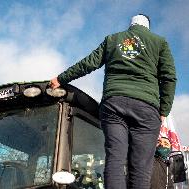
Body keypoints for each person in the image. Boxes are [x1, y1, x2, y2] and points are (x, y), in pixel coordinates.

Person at [49, 14, 176, 189]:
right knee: (141, 168)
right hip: (146, 108)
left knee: (115, 159)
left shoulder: (113, 39)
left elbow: (89, 63)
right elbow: (169, 78)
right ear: (147, 27)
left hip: (114, 104)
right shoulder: (159, 42)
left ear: (131, 25)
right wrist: (164, 110)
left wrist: (61, 78)